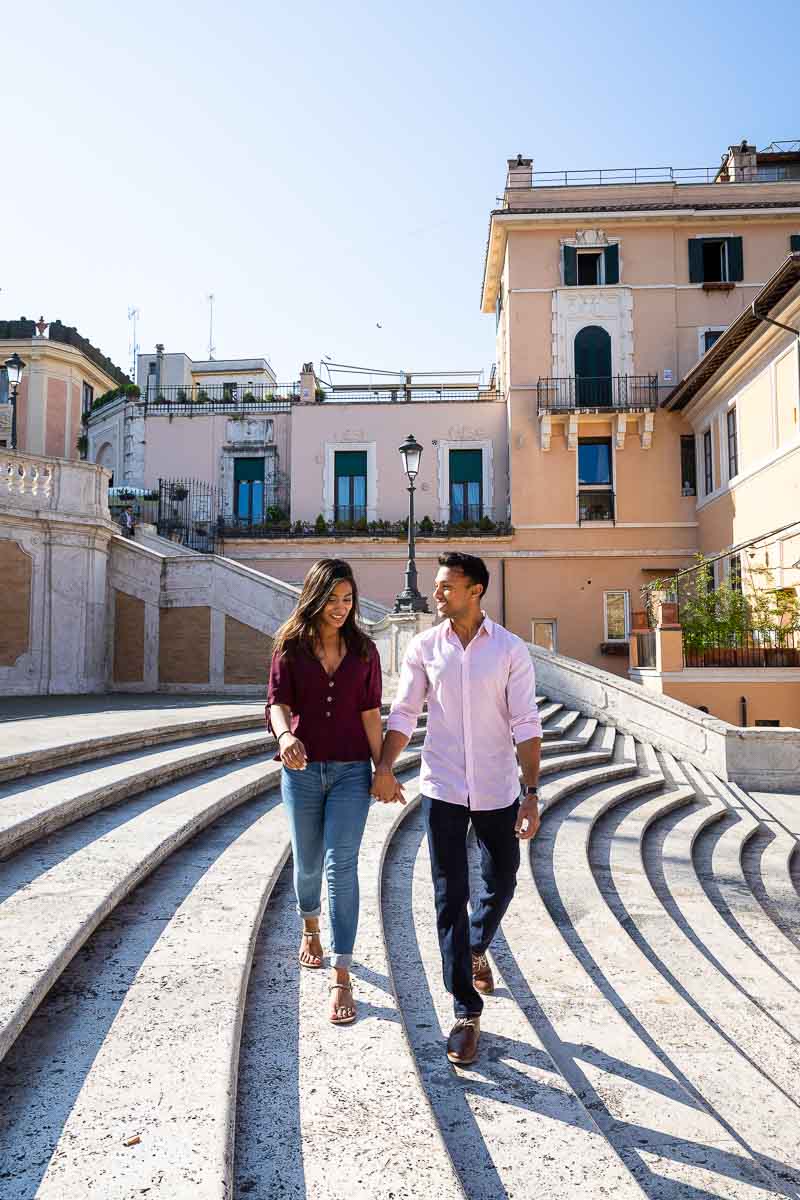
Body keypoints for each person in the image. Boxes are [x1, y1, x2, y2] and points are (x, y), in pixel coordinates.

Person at [372, 552, 542, 1066]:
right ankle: (465, 1010)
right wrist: (384, 766)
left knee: (503, 877)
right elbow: (403, 711)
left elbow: (526, 723)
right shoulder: (425, 647)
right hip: (443, 785)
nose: (436, 593)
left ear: (476, 590)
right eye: (436, 585)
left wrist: (531, 792)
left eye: (447, 586)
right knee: (449, 893)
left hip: (496, 786)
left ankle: (474, 945)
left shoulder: (510, 650)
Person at [267, 558, 388, 1026]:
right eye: (334, 598)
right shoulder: (291, 646)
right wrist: (284, 737)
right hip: (300, 771)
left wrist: (384, 768)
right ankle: (309, 924)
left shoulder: (364, 650)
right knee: (309, 862)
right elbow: (278, 702)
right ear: (315, 596)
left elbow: (371, 713)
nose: (342, 608)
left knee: (343, 864)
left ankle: (342, 973)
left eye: (348, 599)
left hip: (351, 774)